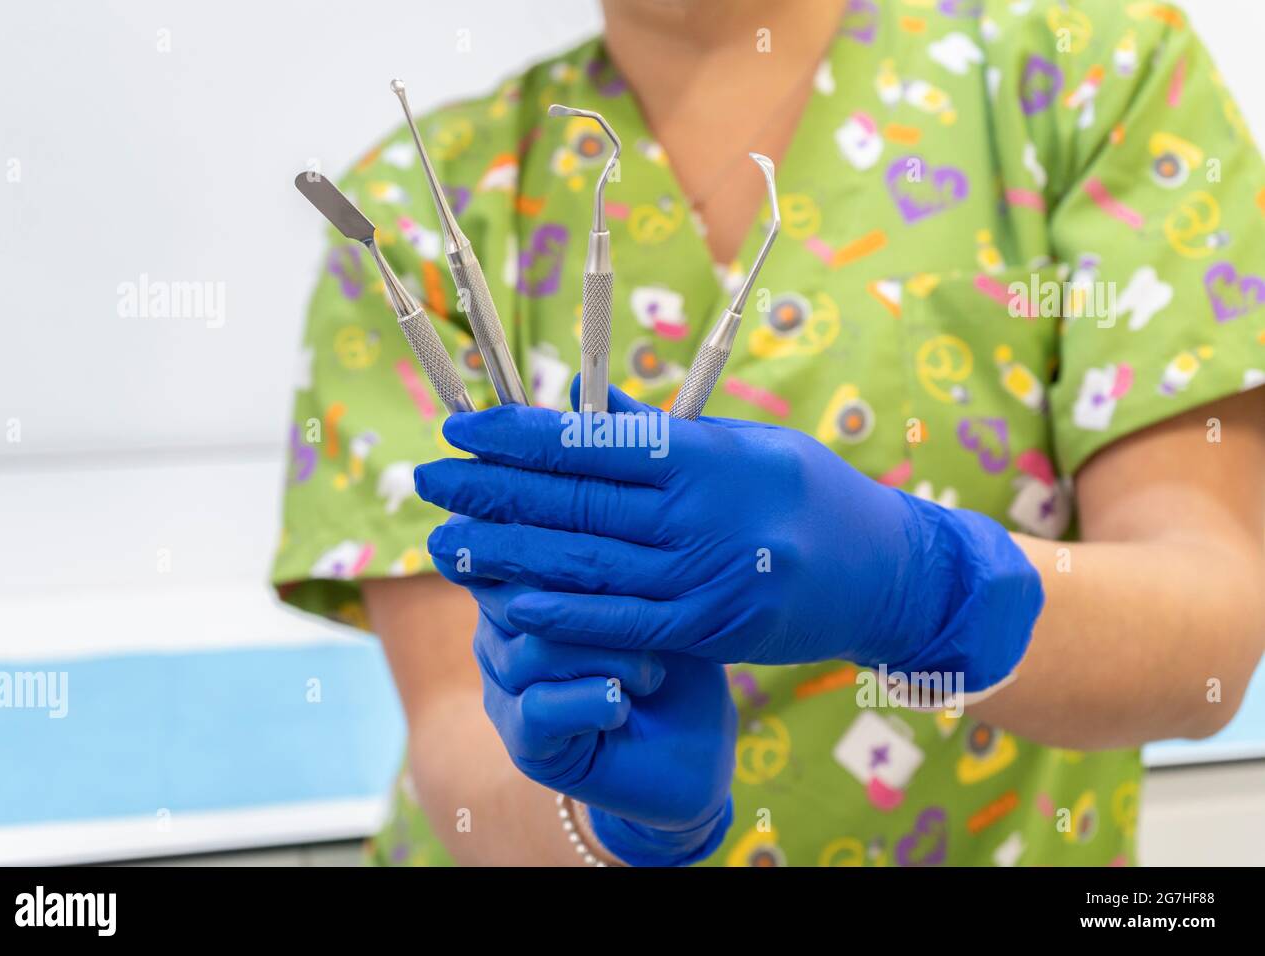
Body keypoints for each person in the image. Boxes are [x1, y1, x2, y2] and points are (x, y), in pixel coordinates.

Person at [273, 0, 1265, 866]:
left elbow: (1208, 628)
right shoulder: (420, 202)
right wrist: (615, 828)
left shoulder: (1083, 77)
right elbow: (460, 739)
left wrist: (924, 585)